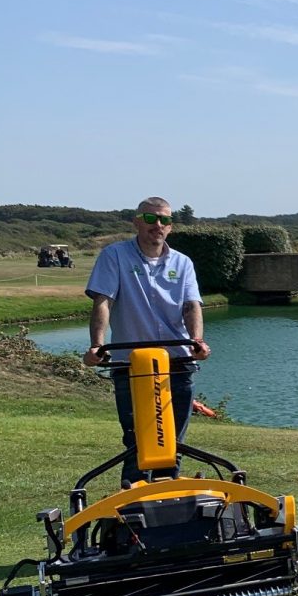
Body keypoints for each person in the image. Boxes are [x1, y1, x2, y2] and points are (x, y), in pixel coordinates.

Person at [83, 197, 210, 485]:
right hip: (130, 363)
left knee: (172, 445)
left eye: (164, 220)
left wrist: (197, 341)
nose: (158, 226)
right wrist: (96, 345)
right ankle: (133, 507)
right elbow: (103, 301)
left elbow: (191, 306)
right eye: (151, 219)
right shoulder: (114, 256)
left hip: (177, 362)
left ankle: (168, 505)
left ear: (171, 226)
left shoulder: (182, 262)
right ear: (137, 222)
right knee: (136, 441)